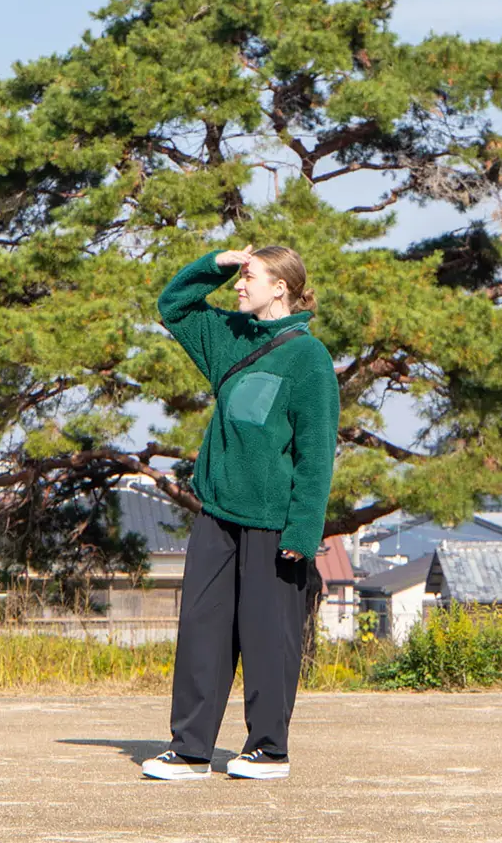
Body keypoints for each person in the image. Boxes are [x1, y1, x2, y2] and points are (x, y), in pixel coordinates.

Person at [140, 244, 340, 781]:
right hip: (217, 513)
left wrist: (303, 529)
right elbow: (174, 305)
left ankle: (269, 749)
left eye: (248, 277)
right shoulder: (229, 338)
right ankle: (190, 750)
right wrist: (218, 262)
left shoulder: (309, 358)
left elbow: (317, 453)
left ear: (281, 287)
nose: (237, 287)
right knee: (202, 632)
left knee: (267, 635)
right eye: (238, 278)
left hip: (275, 523)